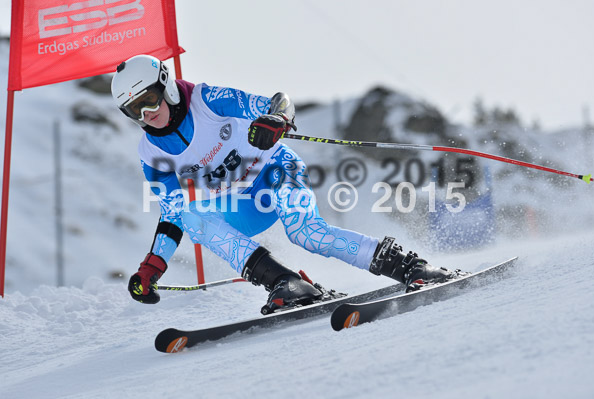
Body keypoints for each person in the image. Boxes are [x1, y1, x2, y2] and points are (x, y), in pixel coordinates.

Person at [110, 54, 459, 312]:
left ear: (166, 85)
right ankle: (285, 282)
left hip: (276, 172)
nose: (146, 115)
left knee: (305, 233)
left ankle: (408, 265)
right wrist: (152, 266)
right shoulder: (150, 151)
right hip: (240, 207)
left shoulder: (207, 100)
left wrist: (276, 120)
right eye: (133, 111)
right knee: (192, 217)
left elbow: (279, 103)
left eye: (149, 100)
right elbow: (172, 212)